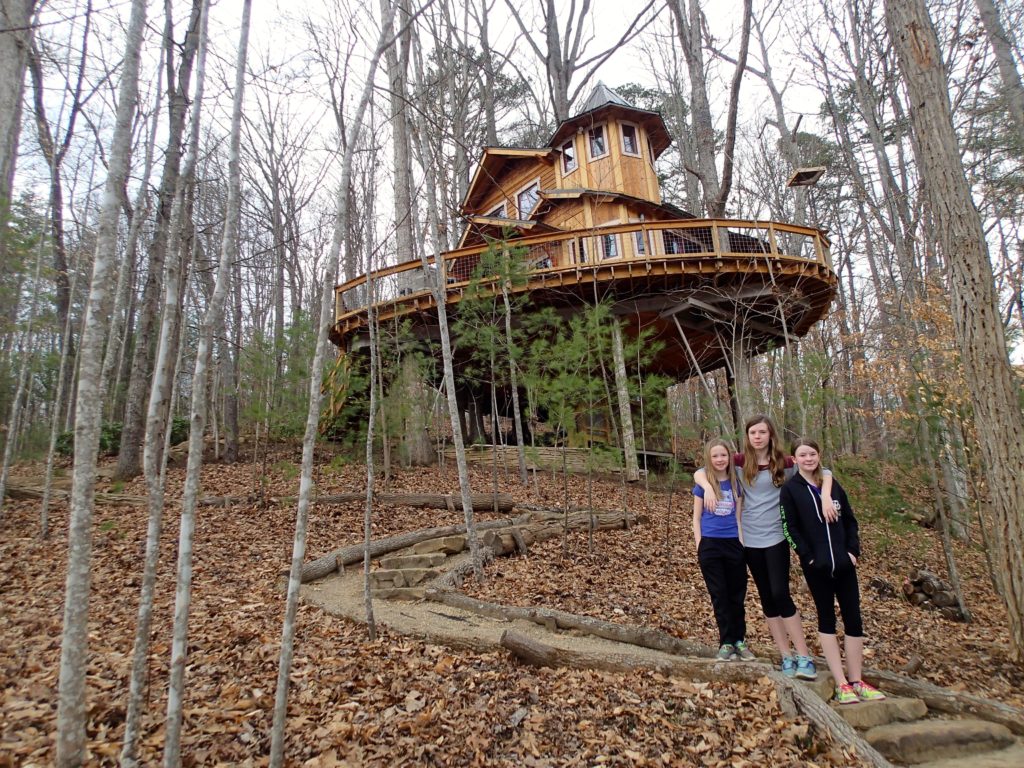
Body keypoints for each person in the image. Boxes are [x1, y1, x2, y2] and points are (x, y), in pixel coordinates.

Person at [695, 415, 834, 679]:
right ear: (747, 437)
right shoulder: (739, 462)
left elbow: (821, 471)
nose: (757, 436)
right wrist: (707, 489)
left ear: (771, 435)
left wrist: (826, 494)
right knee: (767, 599)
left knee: (781, 594)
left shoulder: (786, 463)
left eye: (762, 432)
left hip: (776, 538)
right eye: (752, 433)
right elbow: (703, 470)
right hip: (747, 539)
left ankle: (804, 656)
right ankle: (786, 657)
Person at [780, 438, 886, 704]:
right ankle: (841, 683)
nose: (808, 459)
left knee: (854, 620)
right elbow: (789, 528)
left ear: (819, 456)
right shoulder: (791, 490)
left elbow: (850, 520)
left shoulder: (832, 485)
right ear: (794, 459)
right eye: (802, 455)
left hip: (845, 565)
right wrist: (808, 558)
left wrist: (853, 552)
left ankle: (857, 679)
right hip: (818, 567)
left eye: (812, 454)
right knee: (827, 620)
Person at [692, 439, 752, 661]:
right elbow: (696, 519)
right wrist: (700, 545)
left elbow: (738, 517)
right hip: (710, 545)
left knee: (737, 595)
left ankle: (740, 641)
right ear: (709, 458)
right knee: (720, 595)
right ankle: (726, 642)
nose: (719, 460)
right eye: (715, 456)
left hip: (733, 544)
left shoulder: (736, 484)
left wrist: (742, 544)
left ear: (729, 457)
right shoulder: (703, 484)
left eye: (723, 455)